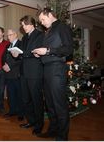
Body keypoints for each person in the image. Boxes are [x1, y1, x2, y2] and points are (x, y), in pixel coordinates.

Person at [32, 8, 73, 140]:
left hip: (57, 69)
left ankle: (62, 136)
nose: (42, 23)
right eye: (40, 21)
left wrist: (48, 51)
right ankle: (53, 130)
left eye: (43, 19)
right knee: (50, 104)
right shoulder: (47, 31)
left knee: (59, 104)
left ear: (50, 15)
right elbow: (48, 51)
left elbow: (68, 49)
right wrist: (40, 54)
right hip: (47, 70)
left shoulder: (62, 27)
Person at [13, 15, 44, 136]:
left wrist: (23, 54)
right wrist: (17, 54)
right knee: (26, 99)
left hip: (35, 73)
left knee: (36, 100)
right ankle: (31, 121)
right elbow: (25, 53)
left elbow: (36, 52)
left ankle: (39, 125)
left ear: (30, 24)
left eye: (24, 24)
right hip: (24, 72)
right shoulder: (25, 37)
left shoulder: (40, 35)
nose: (23, 27)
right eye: (22, 25)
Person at [2, 29, 22, 118]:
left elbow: (21, 59)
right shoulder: (8, 45)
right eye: (8, 35)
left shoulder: (21, 44)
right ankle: (12, 110)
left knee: (19, 94)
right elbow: (3, 57)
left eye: (10, 35)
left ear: (16, 35)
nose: (8, 37)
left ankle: (21, 113)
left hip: (17, 73)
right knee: (11, 94)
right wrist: (3, 65)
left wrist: (9, 65)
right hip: (8, 74)